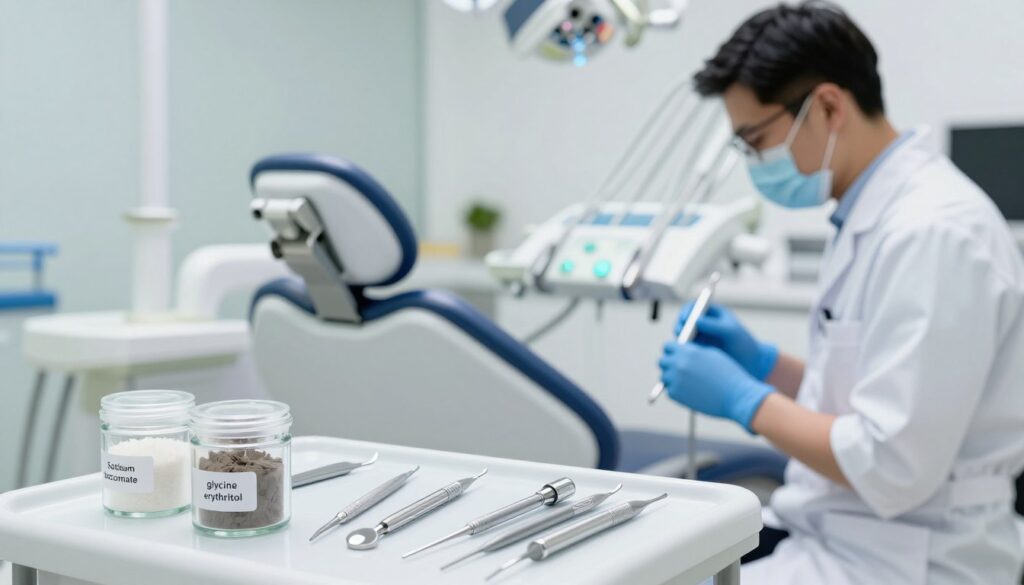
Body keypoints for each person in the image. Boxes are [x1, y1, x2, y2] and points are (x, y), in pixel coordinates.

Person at [657, 2, 1024, 583]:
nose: (755, 161)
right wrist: (765, 364)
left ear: (827, 106)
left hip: (913, 560)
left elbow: (892, 461)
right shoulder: (872, 216)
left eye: (757, 139)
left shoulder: (933, 232)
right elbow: (872, 398)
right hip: (852, 540)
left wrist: (745, 400)